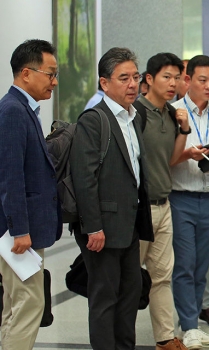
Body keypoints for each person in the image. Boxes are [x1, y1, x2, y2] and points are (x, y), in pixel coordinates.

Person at [69, 47, 154, 350]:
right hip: (102, 228)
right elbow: (84, 177)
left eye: (135, 77)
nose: (132, 84)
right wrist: (93, 226)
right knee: (105, 298)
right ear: (105, 83)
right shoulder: (94, 120)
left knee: (130, 296)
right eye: (123, 78)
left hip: (129, 225)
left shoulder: (136, 116)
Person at [0, 39, 62, 350]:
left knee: (16, 305)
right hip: (18, 232)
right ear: (26, 73)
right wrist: (20, 230)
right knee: (29, 304)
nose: (53, 81)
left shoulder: (24, 109)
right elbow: (10, 177)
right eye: (49, 74)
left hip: (25, 230)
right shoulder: (12, 111)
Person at [170, 55, 209, 349]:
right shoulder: (174, 113)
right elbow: (165, 160)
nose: (208, 86)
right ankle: (189, 325)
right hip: (180, 196)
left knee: (202, 265)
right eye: (202, 80)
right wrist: (188, 153)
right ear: (188, 80)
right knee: (184, 263)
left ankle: (193, 320)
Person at [133, 53, 190, 350]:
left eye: (177, 77)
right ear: (149, 79)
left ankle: (165, 339)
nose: (173, 83)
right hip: (139, 211)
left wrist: (184, 129)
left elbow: (171, 159)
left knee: (162, 276)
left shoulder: (171, 113)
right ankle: (121, 339)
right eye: (167, 77)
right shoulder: (135, 113)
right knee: (130, 280)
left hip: (164, 205)